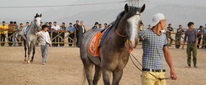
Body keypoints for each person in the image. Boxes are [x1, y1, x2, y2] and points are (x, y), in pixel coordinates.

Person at [139, 13, 177, 85]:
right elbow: (133, 41)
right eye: (164, 22)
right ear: (160, 22)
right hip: (148, 73)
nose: (165, 24)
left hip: (161, 72)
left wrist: (172, 69)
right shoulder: (145, 33)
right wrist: (129, 46)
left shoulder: (163, 36)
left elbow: (166, 53)